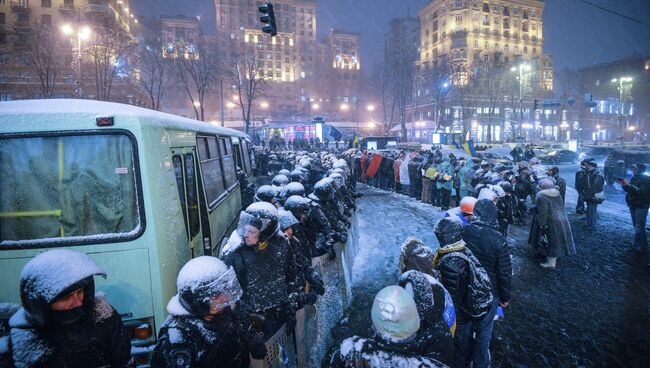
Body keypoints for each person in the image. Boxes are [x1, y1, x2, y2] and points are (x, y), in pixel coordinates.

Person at [0, 249, 132, 367]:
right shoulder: (25, 338)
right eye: (66, 297)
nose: (78, 302)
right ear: (41, 303)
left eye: (80, 292)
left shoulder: (102, 315)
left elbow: (123, 360)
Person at [150, 257, 267, 367]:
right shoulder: (179, 341)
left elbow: (241, 320)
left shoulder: (223, 309)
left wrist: (251, 337)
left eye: (225, 289)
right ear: (198, 303)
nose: (225, 297)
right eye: (216, 295)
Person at [223, 202, 300, 341]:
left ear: (265, 234)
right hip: (253, 323)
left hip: (279, 315)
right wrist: (247, 329)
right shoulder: (234, 254)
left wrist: (291, 308)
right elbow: (230, 297)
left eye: (252, 231)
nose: (246, 235)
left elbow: (291, 277)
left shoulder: (282, 244)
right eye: (245, 230)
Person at [329, 286, 448, 367]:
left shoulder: (350, 352)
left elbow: (330, 361)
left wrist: (343, 337)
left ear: (373, 324)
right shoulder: (432, 365)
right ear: (415, 324)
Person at [431, 218, 494, 368]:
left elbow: (454, 299)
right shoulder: (460, 248)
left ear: (446, 236)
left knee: (459, 348)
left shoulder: (451, 261)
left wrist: (454, 326)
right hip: (473, 308)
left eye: (439, 235)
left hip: (465, 314)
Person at [461, 199, 511, 365]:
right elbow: (504, 272)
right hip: (490, 291)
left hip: (467, 286)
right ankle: (481, 362)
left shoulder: (464, 231)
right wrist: (505, 297)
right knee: (484, 331)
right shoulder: (499, 239)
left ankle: (463, 359)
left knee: (466, 327)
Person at [529, 178, 576, 268]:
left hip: (550, 222)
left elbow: (543, 213)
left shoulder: (541, 196)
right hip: (560, 219)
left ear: (542, 187)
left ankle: (551, 263)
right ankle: (552, 257)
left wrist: (542, 225)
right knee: (557, 240)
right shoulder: (556, 194)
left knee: (550, 241)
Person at [621, 164, 650, 251]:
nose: (633, 170)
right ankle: (644, 243)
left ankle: (637, 245)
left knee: (639, 226)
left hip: (641, 205)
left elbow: (642, 192)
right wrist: (625, 185)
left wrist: (629, 186)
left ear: (639, 169)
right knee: (638, 225)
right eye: (632, 168)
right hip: (633, 204)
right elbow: (631, 190)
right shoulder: (634, 178)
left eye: (635, 168)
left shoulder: (646, 179)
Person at [582, 160, 605, 230]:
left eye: (588, 165)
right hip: (590, 196)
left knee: (592, 211)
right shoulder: (591, 173)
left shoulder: (597, 174)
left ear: (592, 166)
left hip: (593, 196)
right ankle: (589, 225)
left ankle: (592, 226)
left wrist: (589, 195)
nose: (587, 166)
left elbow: (595, 187)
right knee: (590, 210)